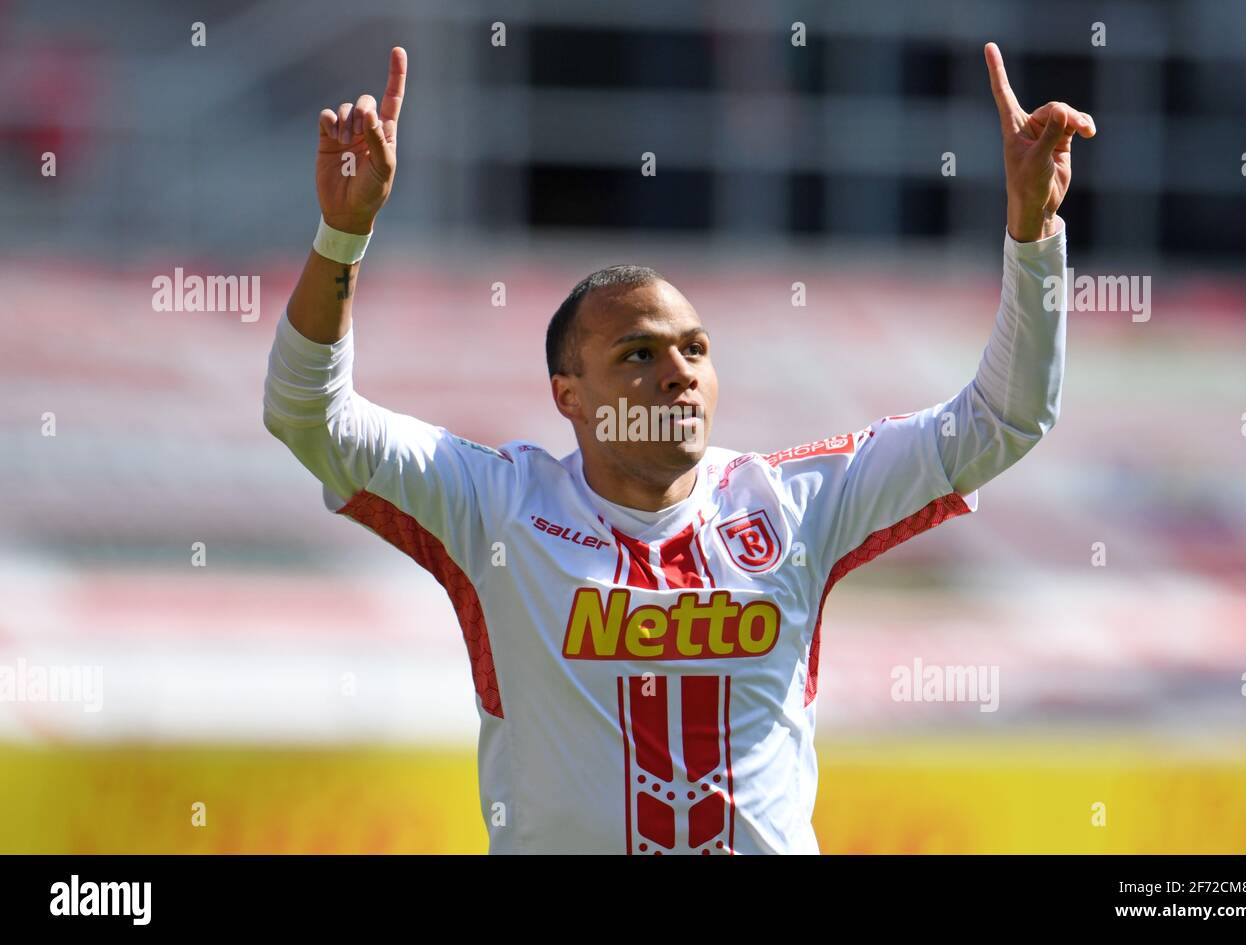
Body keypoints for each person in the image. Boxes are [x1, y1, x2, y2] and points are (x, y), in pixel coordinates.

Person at [263, 44, 1095, 853]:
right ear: (569, 397)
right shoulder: (497, 508)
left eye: (695, 349)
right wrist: (343, 237)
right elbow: (310, 417)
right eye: (638, 354)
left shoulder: (794, 501)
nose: (678, 374)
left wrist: (1033, 234)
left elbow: (1004, 420)